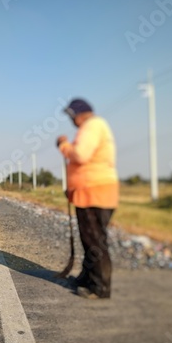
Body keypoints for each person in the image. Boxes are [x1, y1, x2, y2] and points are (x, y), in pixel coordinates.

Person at [57, 98, 119, 299]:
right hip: (90, 191)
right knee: (89, 239)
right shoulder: (94, 127)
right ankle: (86, 278)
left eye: (71, 115)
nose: (71, 120)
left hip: (95, 191)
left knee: (94, 241)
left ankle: (100, 287)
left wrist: (64, 145)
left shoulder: (92, 126)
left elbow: (81, 155)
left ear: (80, 113)